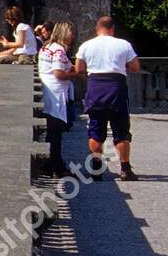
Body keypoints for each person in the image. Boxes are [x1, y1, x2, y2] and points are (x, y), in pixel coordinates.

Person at [74, 15, 142, 181]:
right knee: (121, 131)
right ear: (112, 29)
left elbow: (79, 68)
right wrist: (121, 65)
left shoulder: (86, 45)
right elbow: (135, 67)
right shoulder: (123, 44)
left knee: (96, 131)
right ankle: (125, 169)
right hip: (116, 88)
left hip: (95, 88)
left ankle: (96, 169)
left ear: (97, 29)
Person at [38, 21, 79, 175]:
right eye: (70, 33)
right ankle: (56, 166)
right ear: (64, 33)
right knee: (55, 133)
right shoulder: (59, 50)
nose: (73, 36)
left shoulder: (46, 47)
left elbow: (63, 66)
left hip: (48, 93)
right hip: (56, 95)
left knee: (52, 132)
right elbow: (58, 73)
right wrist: (76, 74)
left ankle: (51, 164)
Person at [0, 5, 38, 70]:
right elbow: (15, 48)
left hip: (27, 55)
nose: (7, 20)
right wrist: (0, 54)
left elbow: (20, 44)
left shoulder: (21, 26)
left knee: (17, 67)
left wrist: (7, 44)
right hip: (18, 55)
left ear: (13, 18)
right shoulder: (17, 29)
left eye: (8, 18)